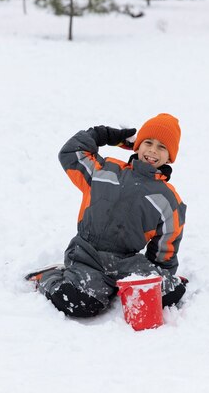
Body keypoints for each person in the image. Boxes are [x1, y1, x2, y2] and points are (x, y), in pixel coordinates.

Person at [28, 113, 188, 317]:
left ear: (170, 156)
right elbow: (70, 153)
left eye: (161, 147)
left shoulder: (169, 200)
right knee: (80, 303)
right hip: (87, 254)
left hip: (126, 262)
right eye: (148, 142)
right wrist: (103, 135)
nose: (152, 151)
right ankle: (49, 277)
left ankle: (122, 285)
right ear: (137, 145)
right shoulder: (104, 171)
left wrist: (159, 279)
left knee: (171, 294)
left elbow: (164, 251)